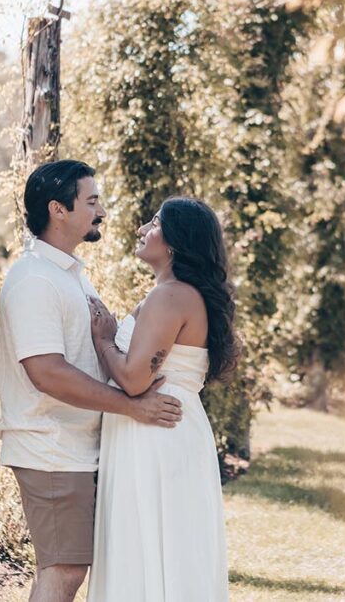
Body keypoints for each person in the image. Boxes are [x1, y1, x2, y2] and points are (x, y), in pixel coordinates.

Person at [0, 160, 183, 602]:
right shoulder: (33, 280)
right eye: (92, 201)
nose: (101, 211)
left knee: (64, 570)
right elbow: (46, 372)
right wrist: (132, 407)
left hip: (78, 447)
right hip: (51, 447)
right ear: (58, 209)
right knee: (62, 571)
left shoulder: (70, 275)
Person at [86, 197, 237, 602]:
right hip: (161, 429)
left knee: (151, 542)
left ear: (174, 241)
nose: (142, 230)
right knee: (164, 546)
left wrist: (104, 340)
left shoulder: (171, 297)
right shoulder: (179, 294)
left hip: (156, 432)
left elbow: (135, 380)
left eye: (153, 223)